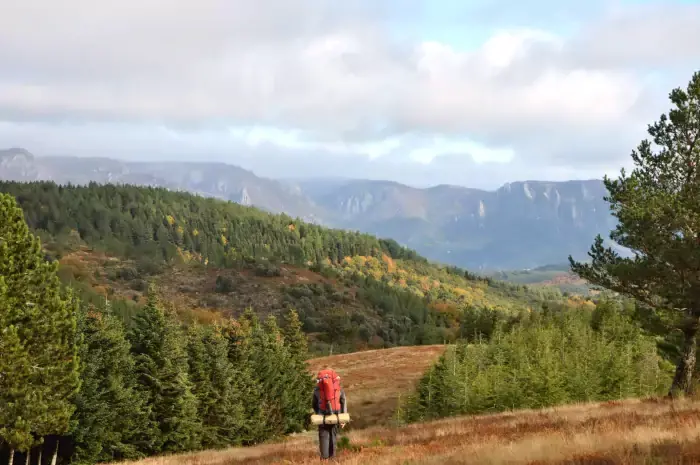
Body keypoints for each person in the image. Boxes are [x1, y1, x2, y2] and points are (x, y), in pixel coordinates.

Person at [312, 372, 347, 460]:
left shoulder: (317, 390)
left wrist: (318, 413)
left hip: (322, 417)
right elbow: (343, 402)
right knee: (333, 437)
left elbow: (314, 404)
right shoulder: (339, 389)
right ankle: (332, 458)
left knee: (323, 437)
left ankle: (324, 458)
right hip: (335, 416)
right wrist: (342, 419)